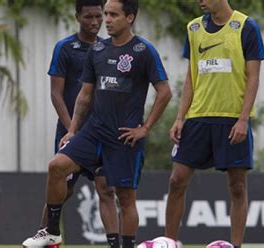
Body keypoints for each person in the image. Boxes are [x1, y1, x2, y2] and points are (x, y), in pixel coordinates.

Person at [22, 0, 172, 247]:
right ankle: (51, 231)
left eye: (113, 14)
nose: (106, 20)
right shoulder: (98, 50)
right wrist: (72, 130)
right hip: (93, 131)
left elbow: (164, 92)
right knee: (56, 166)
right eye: (107, 14)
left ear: (130, 17)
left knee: (124, 198)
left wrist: (144, 128)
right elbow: (85, 94)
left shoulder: (143, 51)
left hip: (123, 135)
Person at [164, 0, 264, 248]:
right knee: (176, 181)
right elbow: (191, 76)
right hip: (197, 117)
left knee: (237, 186)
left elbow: (253, 78)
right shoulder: (193, 28)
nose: (200, 1)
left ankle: (236, 245)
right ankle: (169, 243)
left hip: (232, 119)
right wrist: (180, 117)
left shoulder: (246, 27)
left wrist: (243, 119)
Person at [22, 0, 120, 247]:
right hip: (71, 130)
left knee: (106, 190)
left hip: (103, 132)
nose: (95, 22)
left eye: (99, 16)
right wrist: (71, 129)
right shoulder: (66, 48)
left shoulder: (109, 48)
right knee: (63, 189)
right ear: (77, 17)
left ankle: (114, 244)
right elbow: (56, 93)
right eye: (88, 17)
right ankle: (47, 235)